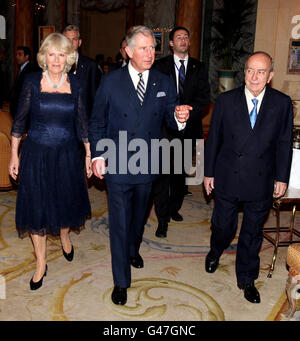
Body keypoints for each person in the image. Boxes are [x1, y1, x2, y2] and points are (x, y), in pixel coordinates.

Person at [89, 25, 191, 306]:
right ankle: (121, 281)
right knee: (120, 223)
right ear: (129, 51)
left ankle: (133, 249)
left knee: (138, 218)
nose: (150, 53)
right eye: (144, 48)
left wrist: (179, 116)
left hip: (148, 162)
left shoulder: (163, 81)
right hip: (119, 162)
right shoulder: (111, 81)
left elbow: (171, 118)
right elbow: (97, 121)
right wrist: (98, 155)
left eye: (153, 47)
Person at [203, 51, 293, 304]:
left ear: (270, 76)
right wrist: (208, 172)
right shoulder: (226, 100)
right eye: (250, 70)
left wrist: (282, 177)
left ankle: (247, 278)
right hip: (227, 175)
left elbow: (285, 143)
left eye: (261, 71)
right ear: (244, 73)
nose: (254, 77)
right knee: (223, 225)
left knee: (252, 232)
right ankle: (215, 249)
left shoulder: (282, 103)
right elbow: (214, 141)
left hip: (261, 178)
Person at [9, 33, 92, 291]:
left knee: (65, 201)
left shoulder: (76, 83)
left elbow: (82, 122)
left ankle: (65, 234)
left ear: (69, 57)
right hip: (36, 154)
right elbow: (20, 121)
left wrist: (89, 154)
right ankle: (41, 263)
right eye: (51, 53)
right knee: (37, 208)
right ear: (44, 56)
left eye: (61, 54)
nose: (56, 59)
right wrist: (14, 154)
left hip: (67, 154)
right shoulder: (32, 81)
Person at [153, 26, 210, 238]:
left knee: (179, 176)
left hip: (188, 129)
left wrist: (187, 110)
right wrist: (172, 111)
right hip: (164, 130)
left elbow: (205, 98)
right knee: (161, 178)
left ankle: (173, 208)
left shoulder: (199, 67)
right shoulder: (159, 67)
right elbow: (155, 97)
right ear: (171, 43)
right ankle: (162, 220)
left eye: (186, 37)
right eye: (179, 37)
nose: (183, 40)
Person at [63, 25, 101, 117]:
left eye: (74, 39)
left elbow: (94, 96)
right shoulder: (56, 64)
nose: (70, 43)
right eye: (67, 40)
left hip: (83, 118)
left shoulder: (90, 65)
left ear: (79, 42)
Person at [9, 46, 35, 118]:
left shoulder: (30, 70)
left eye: (20, 54)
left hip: (24, 109)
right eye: (16, 54)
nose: (17, 56)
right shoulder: (21, 68)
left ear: (26, 57)